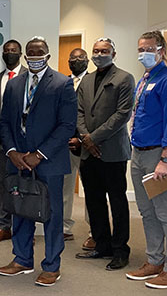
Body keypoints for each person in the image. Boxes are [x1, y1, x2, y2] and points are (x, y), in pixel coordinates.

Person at [0, 36, 77, 287]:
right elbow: (6, 122)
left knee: (52, 213)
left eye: (39, 52)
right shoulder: (14, 84)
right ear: (24, 56)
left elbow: (67, 125)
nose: (34, 56)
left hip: (48, 161)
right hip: (18, 160)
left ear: (48, 55)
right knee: (20, 209)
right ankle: (22, 259)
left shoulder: (63, 84)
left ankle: (52, 266)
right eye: (30, 53)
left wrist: (39, 154)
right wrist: (12, 152)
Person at [74, 38, 134, 271]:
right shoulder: (87, 80)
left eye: (104, 51)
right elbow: (79, 112)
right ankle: (102, 245)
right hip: (89, 153)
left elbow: (122, 114)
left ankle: (120, 250)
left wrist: (93, 138)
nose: (99, 54)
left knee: (117, 201)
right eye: (96, 51)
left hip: (112, 151)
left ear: (113, 53)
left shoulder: (124, 78)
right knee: (94, 200)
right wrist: (85, 139)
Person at [126, 31, 167, 289]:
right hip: (138, 153)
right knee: (147, 211)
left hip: (159, 155)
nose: (142, 53)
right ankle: (154, 261)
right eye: (140, 48)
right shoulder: (145, 79)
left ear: (161, 50)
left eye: (148, 48)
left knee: (166, 212)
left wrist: (166, 159)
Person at [0, 39, 27, 244]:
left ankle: (24, 230)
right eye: (6, 51)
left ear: (20, 54)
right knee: (4, 185)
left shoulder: (30, 77)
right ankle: (4, 227)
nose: (9, 53)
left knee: (26, 186)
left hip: (26, 145)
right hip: (2, 145)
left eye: (13, 51)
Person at [63, 48, 89, 242]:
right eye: (73, 58)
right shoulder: (63, 82)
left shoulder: (93, 81)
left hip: (88, 143)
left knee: (91, 189)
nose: (77, 61)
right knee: (65, 187)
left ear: (88, 61)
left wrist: (82, 138)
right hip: (64, 144)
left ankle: (94, 231)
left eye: (81, 58)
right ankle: (64, 227)